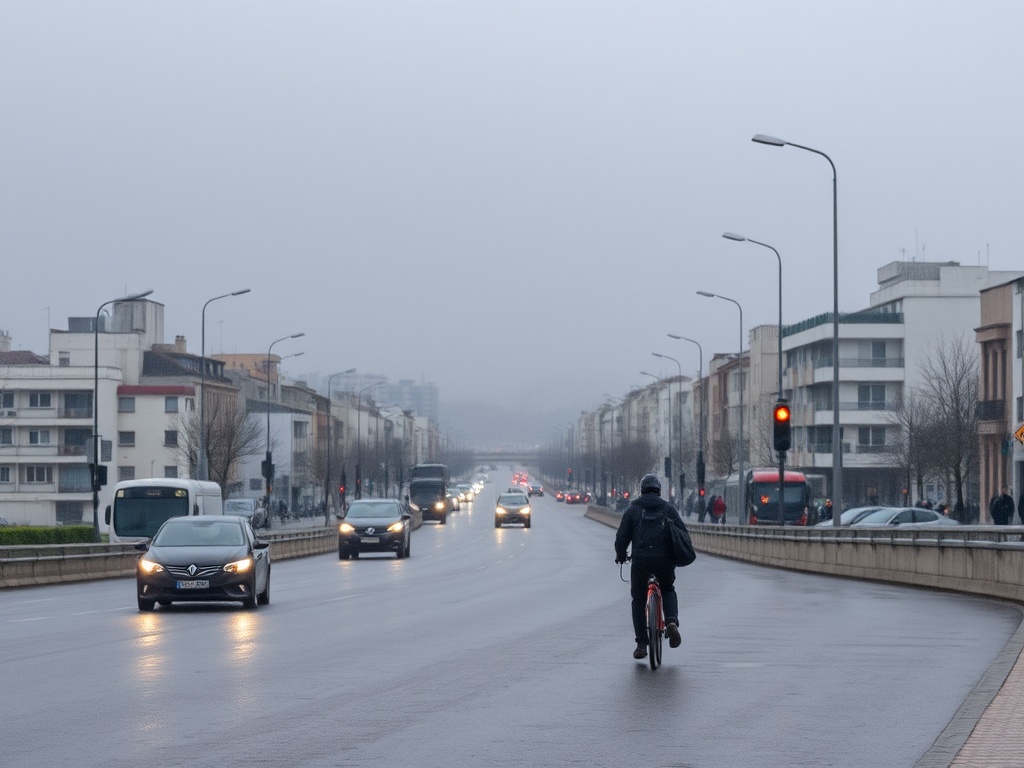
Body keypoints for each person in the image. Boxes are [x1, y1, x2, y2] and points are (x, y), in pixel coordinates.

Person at [614, 473, 686, 660]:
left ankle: (641, 645)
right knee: (668, 589)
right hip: (664, 561)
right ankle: (671, 621)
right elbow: (682, 533)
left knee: (638, 600)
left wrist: (621, 555)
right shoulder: (668, 509)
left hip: (641, 561)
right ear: (659, 490)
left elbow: (622, 538)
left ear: (642, 490)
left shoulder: (633, 510)